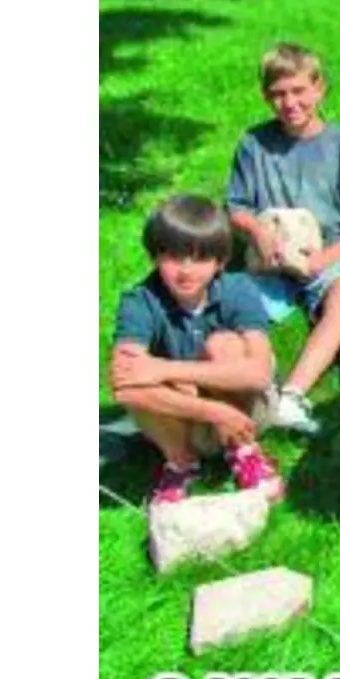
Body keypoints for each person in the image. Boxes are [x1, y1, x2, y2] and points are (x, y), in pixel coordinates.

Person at [226, 42, 340, 435]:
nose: (289, 103)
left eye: (298, 91)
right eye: (278, 94)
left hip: (327, 252)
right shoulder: (253, 143)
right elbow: (236, 206)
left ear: (319, 88)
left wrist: (323, 260)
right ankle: (236, 388)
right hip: (270, 257)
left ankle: (292, 396)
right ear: (265, 96)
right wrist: (257, 232)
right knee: (227, 303)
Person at [110, 195, 283, 504]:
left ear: (220, 262)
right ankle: (180, 462)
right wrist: (214, 412)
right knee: (136, 379)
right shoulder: (139, 301)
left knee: (223, 345)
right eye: (175, 257)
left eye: (201, 258)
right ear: (155, 256)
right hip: (186, 415)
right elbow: (123, 388)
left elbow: (258, 375)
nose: (186, 271)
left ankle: (243, 452)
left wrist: (162, 368)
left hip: (247, 410)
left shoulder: (238, 288)